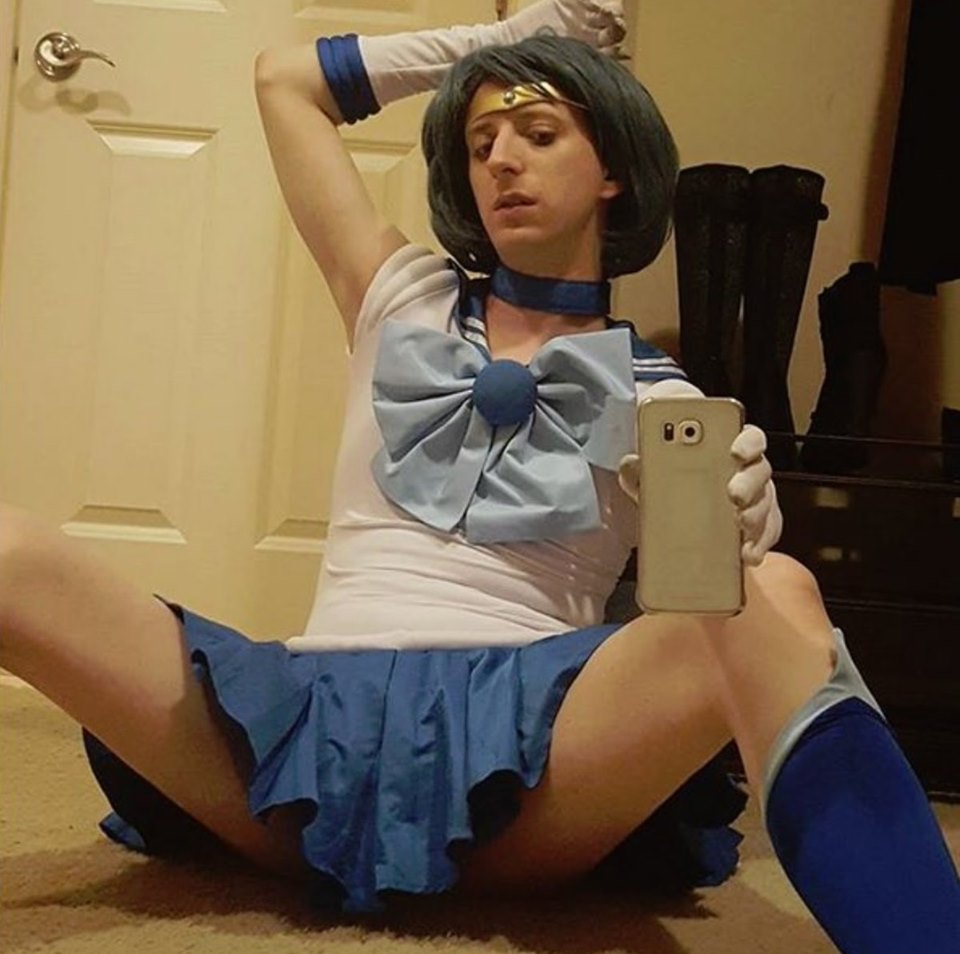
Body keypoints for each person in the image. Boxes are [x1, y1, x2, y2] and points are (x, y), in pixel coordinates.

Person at [0, 1, 957, 949]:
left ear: (614, 172)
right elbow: (284, 82)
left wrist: (744, 526)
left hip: (519, 777)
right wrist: (496, 43)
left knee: (776, 592)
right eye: (479, 142)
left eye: (538, 133)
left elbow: (697, 619)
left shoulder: (663, 396)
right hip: (295, 754)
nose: (501, 160)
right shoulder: (395, 294)